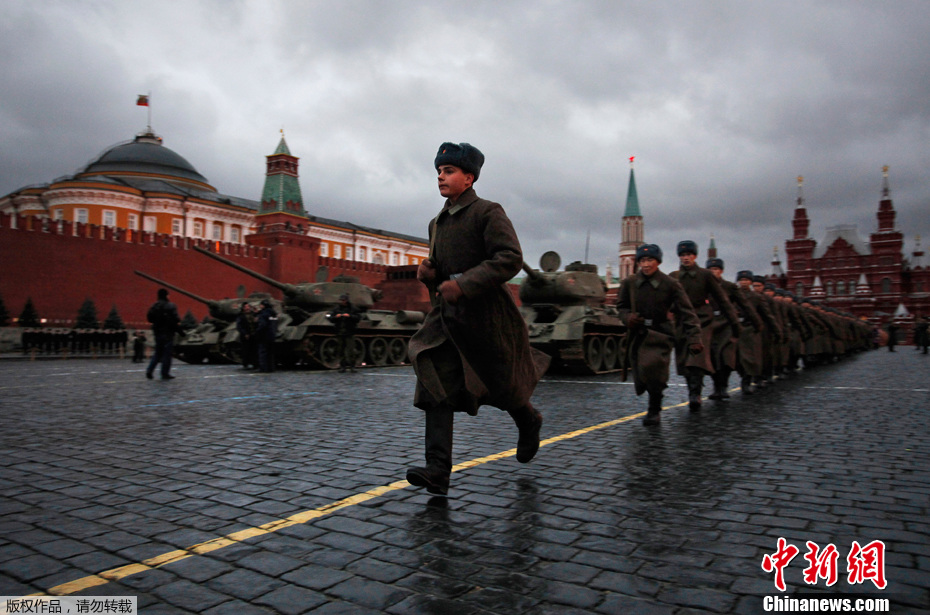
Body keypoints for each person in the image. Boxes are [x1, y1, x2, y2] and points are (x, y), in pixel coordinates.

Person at [406, 142, 550, 496]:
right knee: (434, 382)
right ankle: (437, 471)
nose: (441, 176)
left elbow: (510, 258)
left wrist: (464, 284)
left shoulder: (488, 212)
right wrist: (430, 271)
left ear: (469, 178)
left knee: (503, 385)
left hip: (486, 318)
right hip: (447, 320)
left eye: (449, 171)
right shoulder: (436, 222)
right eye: (439, 171)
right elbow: (442, 265)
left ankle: (528, 419)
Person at [616, 244, 702, 425]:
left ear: (658, 262)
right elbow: (621, 306)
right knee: (641, 374)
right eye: (642, 260)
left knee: (654, 370)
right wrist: (627, 318)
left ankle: (654, 410)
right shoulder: (629, 283)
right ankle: (653, 400)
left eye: (650, 260)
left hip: (660, 334)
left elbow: (687, 312)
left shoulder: (670, 284)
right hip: (638, 334)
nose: (646, 264)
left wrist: (694, 338)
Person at [669, 241, 739, 410]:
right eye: (683, 255)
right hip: (681, 322)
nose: (686, 258)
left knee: (696, 356)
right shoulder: (673, 276)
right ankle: (693, 389)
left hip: (703, 322)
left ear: (695, 256)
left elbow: (722, 300)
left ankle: (695, 393)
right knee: (685, 360)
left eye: (689, 255)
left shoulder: (705, 275)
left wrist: (735, 324)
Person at [705, 258, 760, 400]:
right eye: (710, 270)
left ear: (721, 271)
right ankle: (717, 387)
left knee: (725, 357)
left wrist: (757, 323)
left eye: (716, 269)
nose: (713, 272)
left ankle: (723, 386)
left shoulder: (729, 287)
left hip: (727, 326)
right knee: (711, 358)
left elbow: (746, 305)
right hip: (710, 326)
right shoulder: (704, 287)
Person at [145, 288, 180, 380]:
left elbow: (149, 318)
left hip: (157, 332)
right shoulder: (170, 305)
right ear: (166, 295)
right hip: (168, 333)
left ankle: (150, 370)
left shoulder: (154, 306)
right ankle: (164, 373)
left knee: (157, 353)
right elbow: (176, 319)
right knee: (167, 354)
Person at [327, 294, 361, 372]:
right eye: (341, 300)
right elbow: (331, 318)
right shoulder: (336, 309)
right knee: (340, 351)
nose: (342, 301)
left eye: (343, 300)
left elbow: (358, 318)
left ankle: (352, 366)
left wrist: (350, 316)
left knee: (351, 350)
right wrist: (336, 317)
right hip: (340, 332)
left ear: (347, 300)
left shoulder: (353, 308)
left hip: (350, 332)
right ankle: (343, 367)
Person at [255, 299, 279, 372]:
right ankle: (271, 368)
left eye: (261, 305)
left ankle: (263, 368)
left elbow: (263, 325)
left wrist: (257, 332)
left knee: (263, 352)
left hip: (264, 336)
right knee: (270, 353)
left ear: (263, 306)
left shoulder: (263, 314)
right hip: (272, 335)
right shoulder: (273, 314)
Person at [236, 302, 258, 370]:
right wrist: (244, 333)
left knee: (255, 350)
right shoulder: (241, 316)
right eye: (246, 306)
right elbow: (239, 326)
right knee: (246, 350)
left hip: (254, 334)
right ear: (243, 308)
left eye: (248, 306)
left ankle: (255, 363)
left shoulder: (253, 314)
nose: (247, 308)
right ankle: (245, 363)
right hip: (246, 336)